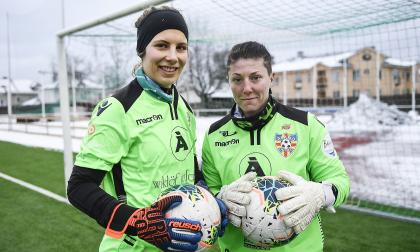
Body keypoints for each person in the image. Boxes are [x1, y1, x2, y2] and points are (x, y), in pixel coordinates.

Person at [67, 6, 226, 252]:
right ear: (142, 50)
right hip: (132, 247)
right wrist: (137, 222)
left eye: (181, 47)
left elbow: (188, 170)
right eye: (162, 45)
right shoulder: (118, 108)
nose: (173, 56)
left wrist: (210, 202)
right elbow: (79, 187)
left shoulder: (183, 107)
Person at [202, 41, 350, 251]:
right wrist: (219, 201)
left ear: (271, 78)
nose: (247, 88)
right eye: (237, 79)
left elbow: (340, 182)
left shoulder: (306, 125)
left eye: (255, 77)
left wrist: (321, 194)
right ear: (228, 81)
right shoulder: (213, 135)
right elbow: (210, 198)